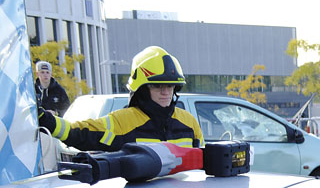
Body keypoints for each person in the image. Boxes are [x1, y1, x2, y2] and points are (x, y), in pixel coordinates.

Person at [38, 46, 202, 151]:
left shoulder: (189, 122)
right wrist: (48, 121)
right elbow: (80, 132)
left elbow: (201, 165)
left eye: (170, 86)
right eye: (157, 86)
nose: (166, 92)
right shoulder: (122, 122)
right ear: (142, 89)